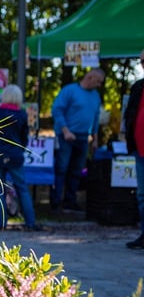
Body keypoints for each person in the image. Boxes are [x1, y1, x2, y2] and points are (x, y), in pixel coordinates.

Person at [0, 84, 41, 231]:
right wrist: (18, 150)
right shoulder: (22, 114)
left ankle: (1, 224)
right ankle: (30, 222)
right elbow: (24, 139)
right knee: (22, 189)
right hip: (15, 156)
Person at [50, 68, 105, 212]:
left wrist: (95, 138)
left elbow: (96, 117)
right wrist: (66, 130)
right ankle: (55, 201)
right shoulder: (70, 91)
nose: (99, 85)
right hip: (66, 136)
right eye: (98, 81)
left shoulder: (96, 96)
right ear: (90, 77)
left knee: (77, 170)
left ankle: (70, 201)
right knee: (62, 168)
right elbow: (57, 110)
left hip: (83, 137)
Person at [122, 49, 144, 249]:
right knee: (141, 195)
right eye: (142, 61)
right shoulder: (138, 86)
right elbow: (130, 113)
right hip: (140, 149)